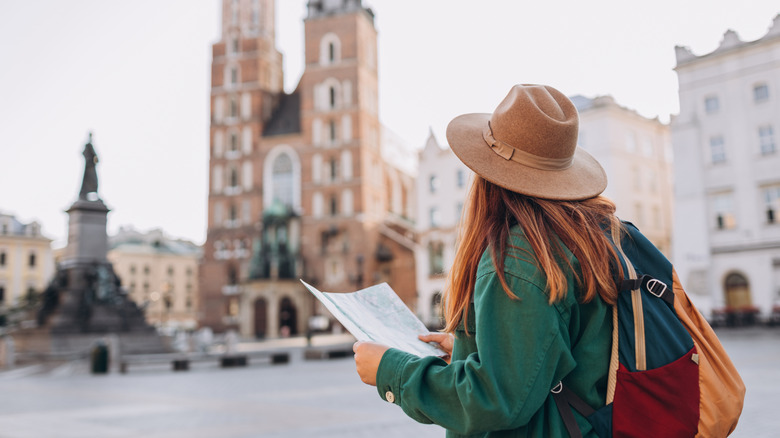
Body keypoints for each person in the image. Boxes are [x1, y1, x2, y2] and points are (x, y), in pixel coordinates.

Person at [353, 84, 627, 437]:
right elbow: (550, 355)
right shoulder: (583, 238)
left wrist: (389, 370)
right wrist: (474, 350)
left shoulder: (518, 257)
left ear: (488, 175)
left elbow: (494, 400)